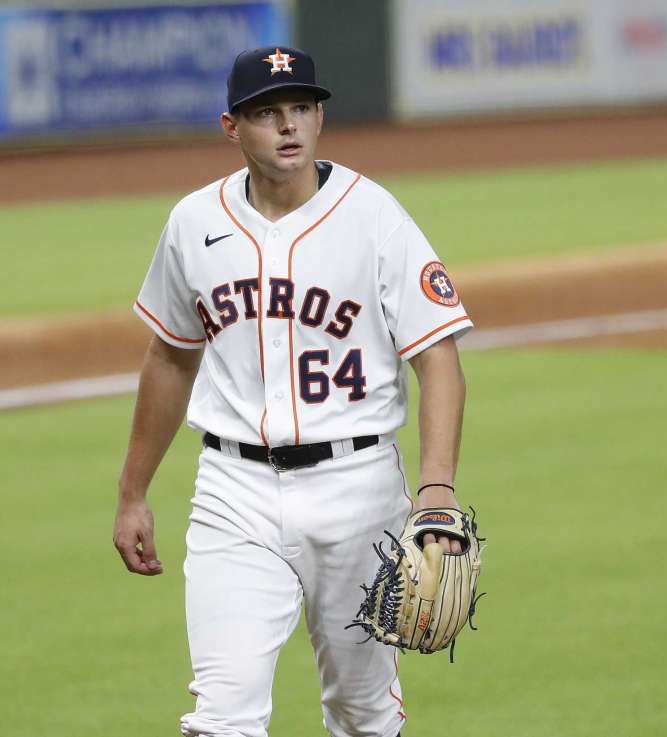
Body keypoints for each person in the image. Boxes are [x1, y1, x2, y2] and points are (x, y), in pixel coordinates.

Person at [112, 45, 473, 737]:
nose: (289, 126)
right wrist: (133, 492)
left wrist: (435, 487)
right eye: (267, 112)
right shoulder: (193, 222)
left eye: (302, 108)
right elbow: (170, 358)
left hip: (359, 488)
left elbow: (439, 356)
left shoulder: (374, 216)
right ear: (231, 126)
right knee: (221, 715)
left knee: (363, 713)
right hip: (233, 491)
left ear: (320, 118)